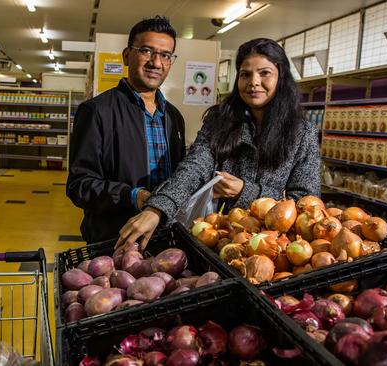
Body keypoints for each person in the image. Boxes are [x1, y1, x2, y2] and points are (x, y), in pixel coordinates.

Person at [116, 38, 321, 249]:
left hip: (274, 249)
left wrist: (246, 191)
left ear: (281, 77)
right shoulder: (220, 121)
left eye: (265, 73)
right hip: (216, 241)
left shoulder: (302, 133)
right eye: (245, 74)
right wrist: (157, 208)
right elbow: (194, 167)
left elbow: (306, 204)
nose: (254, 82)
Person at [66, 16, 186, 244]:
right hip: (114, 240)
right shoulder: (96, 111)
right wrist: (133, 196)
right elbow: (79, 185)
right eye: (146, 51)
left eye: (165, 55)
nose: (156, 62)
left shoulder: (174, 117)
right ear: (126, 55)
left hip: (166, 238)